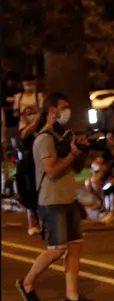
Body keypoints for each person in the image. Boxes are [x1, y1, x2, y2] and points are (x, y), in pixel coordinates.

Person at [16, 93, 94, 301]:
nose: (67, 111)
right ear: (52, 112)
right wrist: (70, 156)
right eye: (63, 107)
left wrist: (80, 152)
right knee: (57, 249)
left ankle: (72, 295)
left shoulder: (63, 137)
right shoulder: (43, 139)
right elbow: (51, 171)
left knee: (76, 246)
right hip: (51, 201)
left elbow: (76, 169)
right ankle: (27, 282)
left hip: (68, 198)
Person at [12, 72, 43, 234]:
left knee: (38, 180)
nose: (28, 85)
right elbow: (16, 114)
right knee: (28, 179)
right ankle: (32, 219)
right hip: (25, 137)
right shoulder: (19, 97)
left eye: (30, 82)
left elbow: (42, 113)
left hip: (37, 135)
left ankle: (41, 218)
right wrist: (25, 121)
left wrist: (34, 124)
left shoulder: (39, 97)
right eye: (26, 82)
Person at [85, 129, 114, 211]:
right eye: (108, 139)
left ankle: (106, 204)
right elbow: (94, 164)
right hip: (107, 175)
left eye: (111, 139)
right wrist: (100, 168)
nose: (109, 142)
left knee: (96, 181)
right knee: (88, 182)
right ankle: (101, 202)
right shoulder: (108, 152)